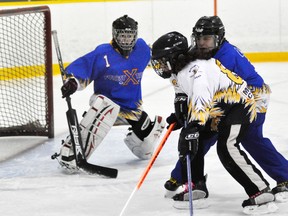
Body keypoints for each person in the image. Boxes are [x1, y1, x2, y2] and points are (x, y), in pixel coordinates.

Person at [164, 16, 288, 202]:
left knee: (249, 139)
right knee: (203, 134)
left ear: (219, 38)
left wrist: (192, 116)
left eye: (207, 39)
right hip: (228, 98)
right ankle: (184, 175)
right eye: (198, 38)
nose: (201, 43)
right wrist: (181, 113)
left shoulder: (226, 56)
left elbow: (208, 90)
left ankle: (285, 176)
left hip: (252, 98)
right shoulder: (203, 52)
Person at [55, 15, 165, 172]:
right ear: (115, 35)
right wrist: (72, 82)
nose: (126, 40)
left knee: (146, 150)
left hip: (130, 109)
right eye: (122, 36)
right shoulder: (103, 53)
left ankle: (141, 135)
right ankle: (72, 152)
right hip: (105, 104)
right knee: (105, 110)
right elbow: (85, 66)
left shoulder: (142, 49)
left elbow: (161, 57)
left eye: (130, 36)